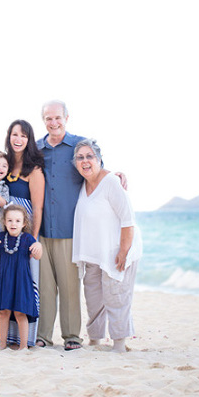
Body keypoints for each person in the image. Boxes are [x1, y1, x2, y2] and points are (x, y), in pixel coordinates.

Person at [35, 100, 127, 350]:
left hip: (70, 229)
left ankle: (72, 337)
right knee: (44, 287)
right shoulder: (37, 149)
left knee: (69, 287)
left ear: (66, 117)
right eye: (48, 118)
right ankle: (43, 336)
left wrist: (116, 174)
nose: (53, 123)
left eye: (57, 117)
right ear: (43, 120)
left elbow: (97, 170)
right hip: (42, 229)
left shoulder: (78, 145)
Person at [0, 120, 45, 348]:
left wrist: (33, 239)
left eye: (24, 135)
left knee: (24, 281)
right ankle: (0, 337)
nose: (19, 139)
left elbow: (38, 208)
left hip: (24, 230)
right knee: (1, 279)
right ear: (9, 136)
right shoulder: (2, 164)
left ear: (29, 139)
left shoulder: (33, 170)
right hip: (2, 226)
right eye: (15, 134)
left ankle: (25, 339)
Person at [71, 139, 142, 353]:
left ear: (99, 159)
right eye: (80, 157)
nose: (85, 161)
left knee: (116, 296)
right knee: (93, 300)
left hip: (117, 250)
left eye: (89, 156)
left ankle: (119, 343)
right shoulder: (83, 183)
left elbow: (128, 220)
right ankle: (95, 340)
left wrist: (123, 251)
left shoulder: (111, 182)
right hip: (93, 253)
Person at [0, 204, 43, 352]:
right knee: (4, 312)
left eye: (17, 221)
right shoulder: (0, 237)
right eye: (10, 220)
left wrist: (39, 247)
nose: (13, 224)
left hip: (21, 281)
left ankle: (23, 345)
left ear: (24, 223)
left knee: (20, 312)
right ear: (4, 222)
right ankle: (2, 343)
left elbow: (37, 256)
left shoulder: (27, 238)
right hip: (4, 281)